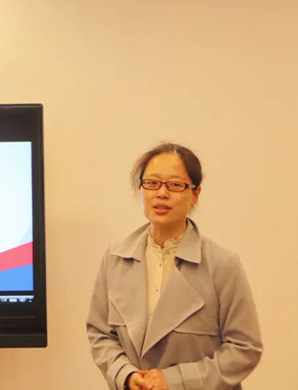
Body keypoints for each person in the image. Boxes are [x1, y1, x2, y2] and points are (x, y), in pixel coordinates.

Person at [86, 143, 262, 390]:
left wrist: (176, 380)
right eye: (152, 183)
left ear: (195, 194)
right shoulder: (115, 259)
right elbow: (100, 334)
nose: (161, 193)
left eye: (175, 185)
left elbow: (245, 348)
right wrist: (125, 374)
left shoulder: (222, 264)